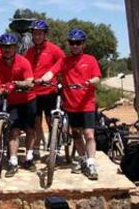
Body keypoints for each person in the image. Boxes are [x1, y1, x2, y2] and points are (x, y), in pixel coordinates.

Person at [41, 28, 101, 180]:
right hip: (71, 104)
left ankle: (91, 163)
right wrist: (43, 79)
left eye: (77, 43)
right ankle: (82, 159)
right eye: (72, 43)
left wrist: (89, 82)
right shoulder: (64, 61)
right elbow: (52, 72)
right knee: (75, 134)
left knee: (88, 134)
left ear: (83, 45)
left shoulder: (90, 59)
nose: (74, 46)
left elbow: (97, 78)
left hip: (87, 104)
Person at [0, 33, 37, 177]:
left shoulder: (23, 61)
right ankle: (13, 161)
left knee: (30, 129)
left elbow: (30, 81)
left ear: (15, 48)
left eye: (10, 47)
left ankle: (29, 158)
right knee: (13, 131)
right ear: (0, 48)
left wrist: (17, 83)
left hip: (28, 99)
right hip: (12, 101)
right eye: (4, 47)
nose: (7, 50)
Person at [24, 20, 65, 157]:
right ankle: (36, 146)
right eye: (35, 34)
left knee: (50, 119)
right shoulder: (29, 52)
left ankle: (54, 145)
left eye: (40, 34)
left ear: (45, 34)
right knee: (36, 120)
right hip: (33, 92)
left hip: (49, 91)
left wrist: (52, 73)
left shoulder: (53, 49)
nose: (37, 36)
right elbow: (25, 67)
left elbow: (62, 61)